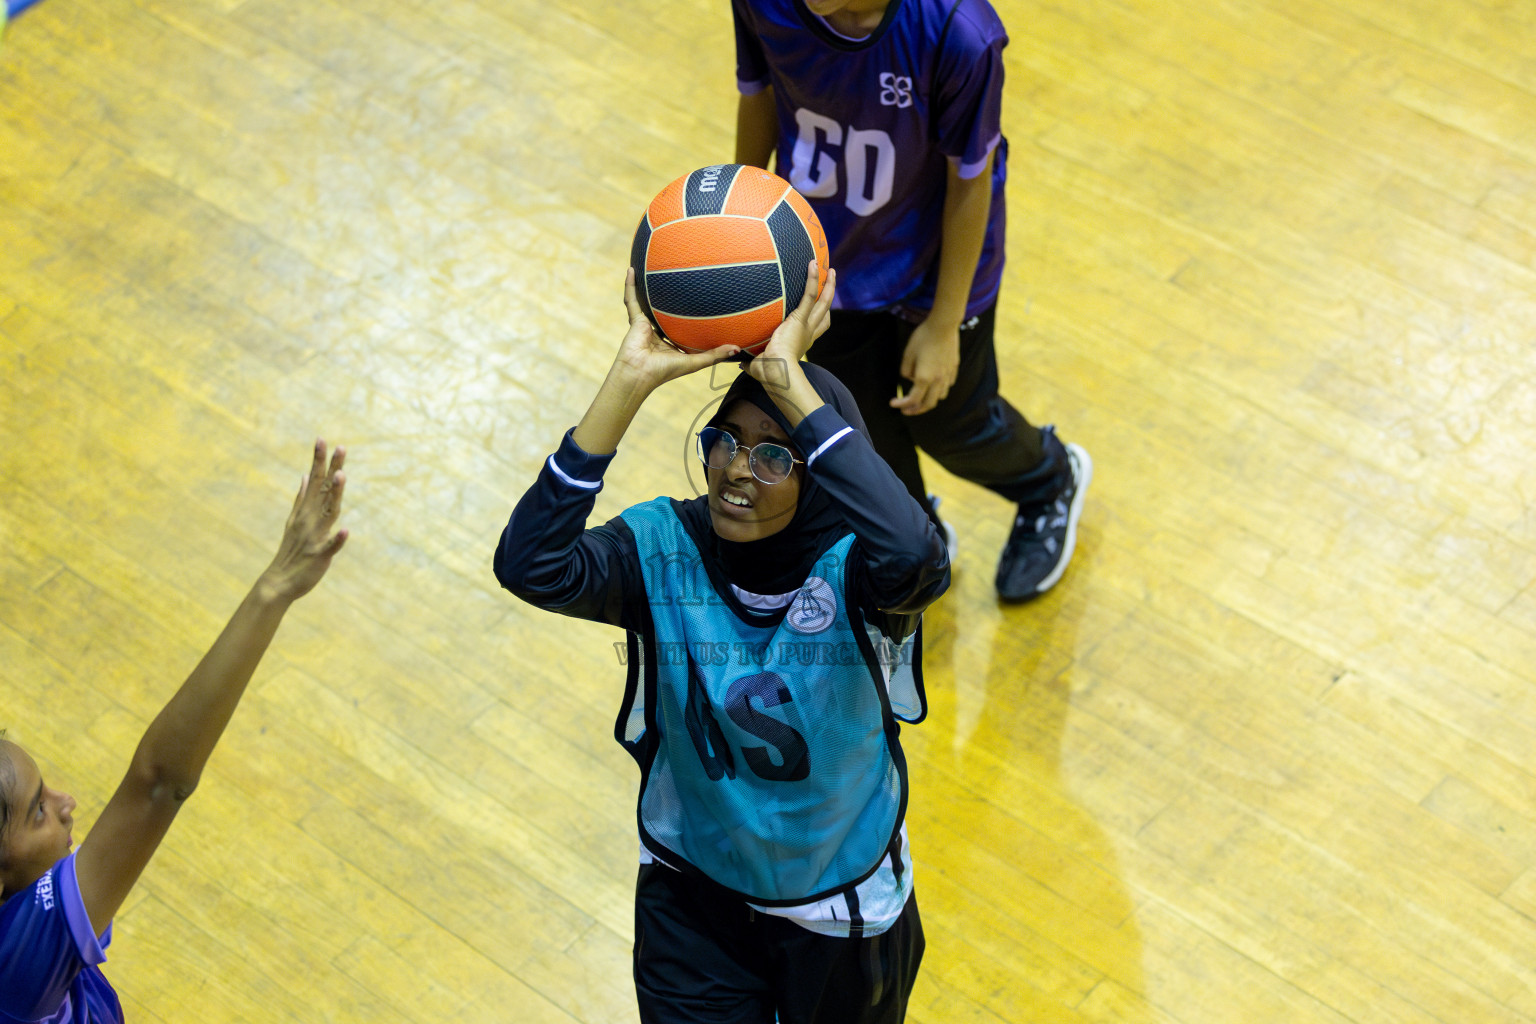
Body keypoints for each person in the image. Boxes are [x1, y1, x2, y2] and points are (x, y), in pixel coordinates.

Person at [494, 261, 947, 1023]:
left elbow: (920, 558)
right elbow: (530, 564)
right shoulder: (662, 545)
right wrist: (629, 382)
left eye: (776, 454)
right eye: (726, 441)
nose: (739, 470)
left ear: (821, 476)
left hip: (837, 909)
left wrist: (789, 378)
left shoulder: (862, 573)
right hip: (692, 889)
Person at [732, 0, 1092, 602]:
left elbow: (971, 180)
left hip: (937, 269)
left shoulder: (961, 34)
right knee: (859, 429)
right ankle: (918, 533)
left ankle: (1050, 478)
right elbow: (761, 92)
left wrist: (945, 323)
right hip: (827, 262)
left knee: (953, 422)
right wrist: (740, 233)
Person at [0, 440, 349, 1024]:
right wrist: (275, 587)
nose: (67, 805)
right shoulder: (17, 964)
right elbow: (158, 783)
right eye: (37, 811)